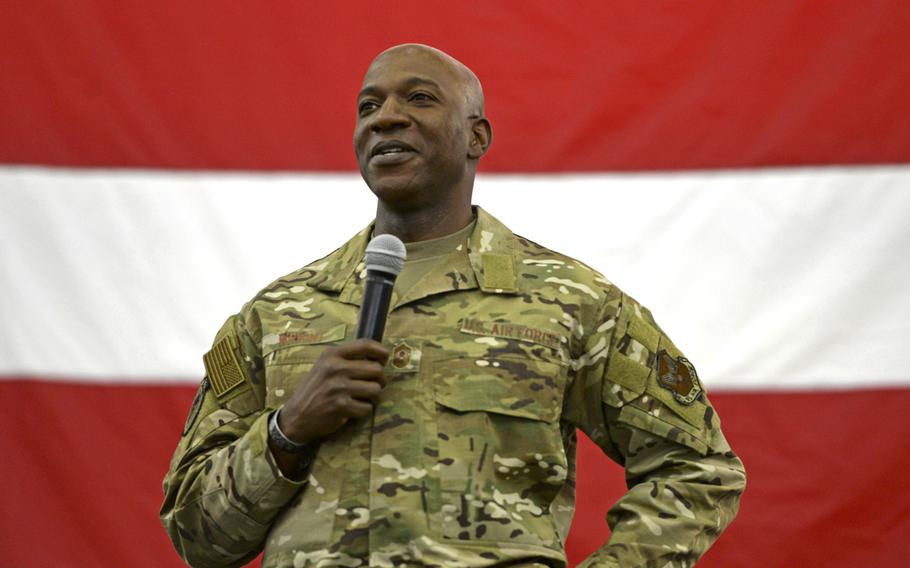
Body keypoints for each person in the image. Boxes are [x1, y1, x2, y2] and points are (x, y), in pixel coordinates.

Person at [161, 44, 746, 568]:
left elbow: (699, 469)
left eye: (418, 98)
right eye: (369, 107)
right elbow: (198, 537)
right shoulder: (277, 314)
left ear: (476, 137)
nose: (386, 116)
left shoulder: (572, 303)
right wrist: (287, 434)